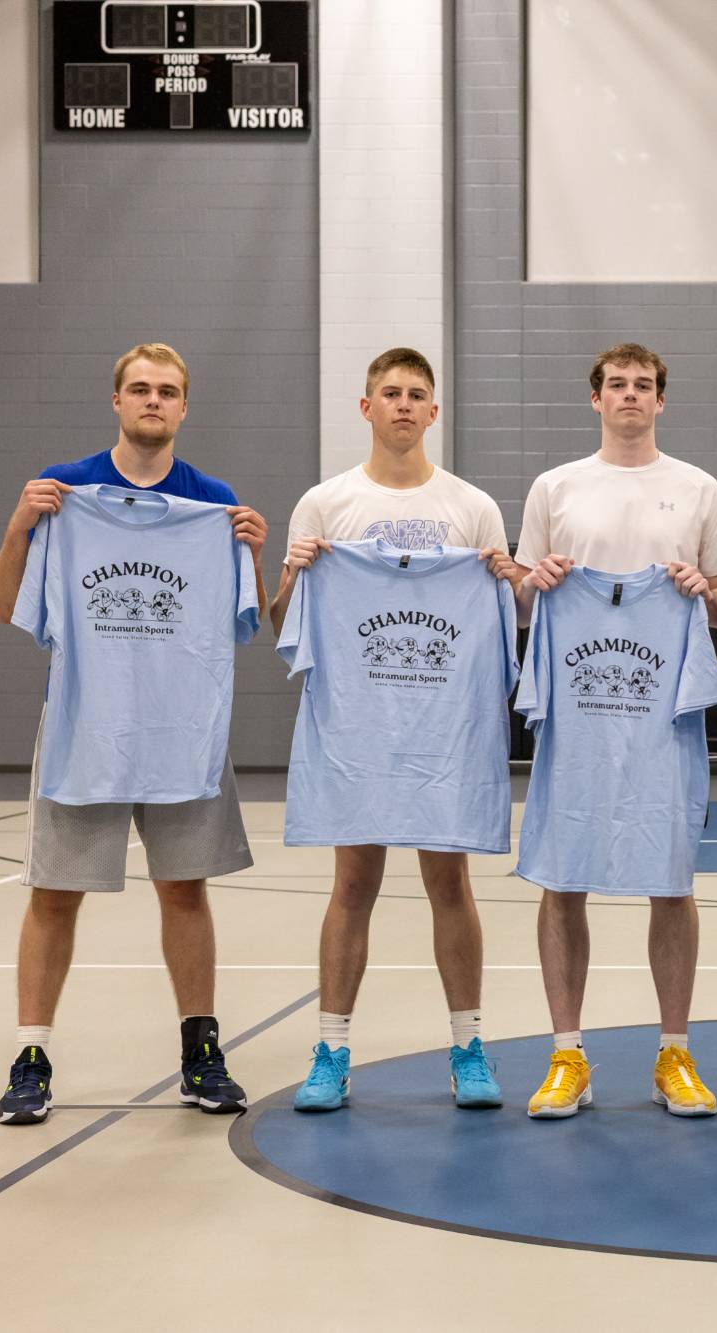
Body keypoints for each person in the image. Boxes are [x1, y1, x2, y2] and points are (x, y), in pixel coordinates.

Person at [0, 342, 267, 1125]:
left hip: (182, 727)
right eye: (140, 388)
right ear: (116, 400)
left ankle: (201, 1052)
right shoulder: (65, 492)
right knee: (54, 894)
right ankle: (31, 1057)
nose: (153, 400)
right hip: (88, 723)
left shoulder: (213, 504)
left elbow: (249, 621)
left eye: (167, 391)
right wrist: (18, 526)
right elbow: (5, 606)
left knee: (185, 889)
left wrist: (252, 549)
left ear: (184, 407)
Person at [270, 347, 525, 1112]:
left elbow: (501, 627)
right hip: (359, 732)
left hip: (443, 730)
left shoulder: (472, 508)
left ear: (434, 411)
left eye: (417, 394)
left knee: (451, 882)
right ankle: (332, 1049)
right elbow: (284, 628)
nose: (404, 404)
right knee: (353, 884)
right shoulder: (326, 504)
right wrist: (295, 573)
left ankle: (469, 1046)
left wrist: (507, 580)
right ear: (367, 407)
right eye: (391, 392)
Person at [513, 343, 717, 1117]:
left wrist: (704, 590)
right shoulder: (556, 486)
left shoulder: (698, 487)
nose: (630, 394)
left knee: (670, 880)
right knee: (563, 876)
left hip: (661, 713)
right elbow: (522, 597)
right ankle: (566, 1054)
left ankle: (675, 1053)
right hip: (578, 710)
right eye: (617, 384)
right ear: (596, 398)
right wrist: (534, 581)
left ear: (661, 400)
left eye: (643, 385)